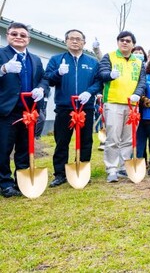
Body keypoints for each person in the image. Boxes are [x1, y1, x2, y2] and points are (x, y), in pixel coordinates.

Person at [44, 29, 102, 187]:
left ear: (84, 42)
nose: (75, 41)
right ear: (66, 41)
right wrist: (58, 73)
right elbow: (47, 79)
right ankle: (60, 174)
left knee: (86, 140)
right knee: (62, 141)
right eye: (71, 39)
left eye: (79, 39)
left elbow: (98, 82)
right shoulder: (57, 60)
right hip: (64, 107)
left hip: (86, 107)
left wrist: (89, 93)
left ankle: (83, 169)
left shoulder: (92, 63)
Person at [0, 22, 49, 197]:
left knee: (24, 147)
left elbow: (43, 79)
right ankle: (5, 183)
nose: (18, 37)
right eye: (14, 34)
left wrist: (42, 89)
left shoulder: (35, 59)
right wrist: (4, 69)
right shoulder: (1, 54)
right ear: (8, 36)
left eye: (23, 35)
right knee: (3, 149)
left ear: (28, 39)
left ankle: (22, 180)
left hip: (29, 111)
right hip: (6, 110)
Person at [97, 31, 146, 183]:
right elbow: (102, 73)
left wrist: (138, 94)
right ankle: (111, 168)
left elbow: (141, 81)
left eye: (128, 41)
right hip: (113, 102)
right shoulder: (109, 57)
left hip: (132, 105)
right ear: (118, 42)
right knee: (113, 137)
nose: (125, 43)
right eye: (122, 40)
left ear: (133, 44)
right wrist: (109, 75)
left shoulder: (138, 62)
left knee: (129, 138)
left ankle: (124, 165)